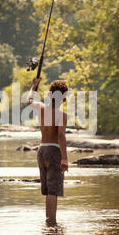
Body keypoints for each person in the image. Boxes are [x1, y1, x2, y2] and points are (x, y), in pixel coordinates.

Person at [27, 77, 69, 225]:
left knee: (48, 190)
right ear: (64, 100)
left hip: (41, 150)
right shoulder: (62, 115)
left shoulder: (40, 108)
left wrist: (34, 86)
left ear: (49, 95)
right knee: (53, 191)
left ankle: (48, 221)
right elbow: (61, 136)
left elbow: (29, 100)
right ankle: (51, 223)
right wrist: (64, 158)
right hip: (54, 151)